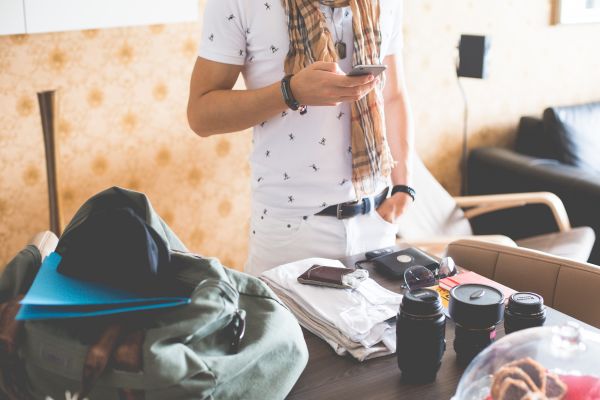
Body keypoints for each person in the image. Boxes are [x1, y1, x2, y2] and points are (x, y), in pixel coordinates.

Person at [188, 0, 415, 276]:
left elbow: (393, 96)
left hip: (377, 223)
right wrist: (290, 92)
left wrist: (404, 189)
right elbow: (200, 115)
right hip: (290, 231)